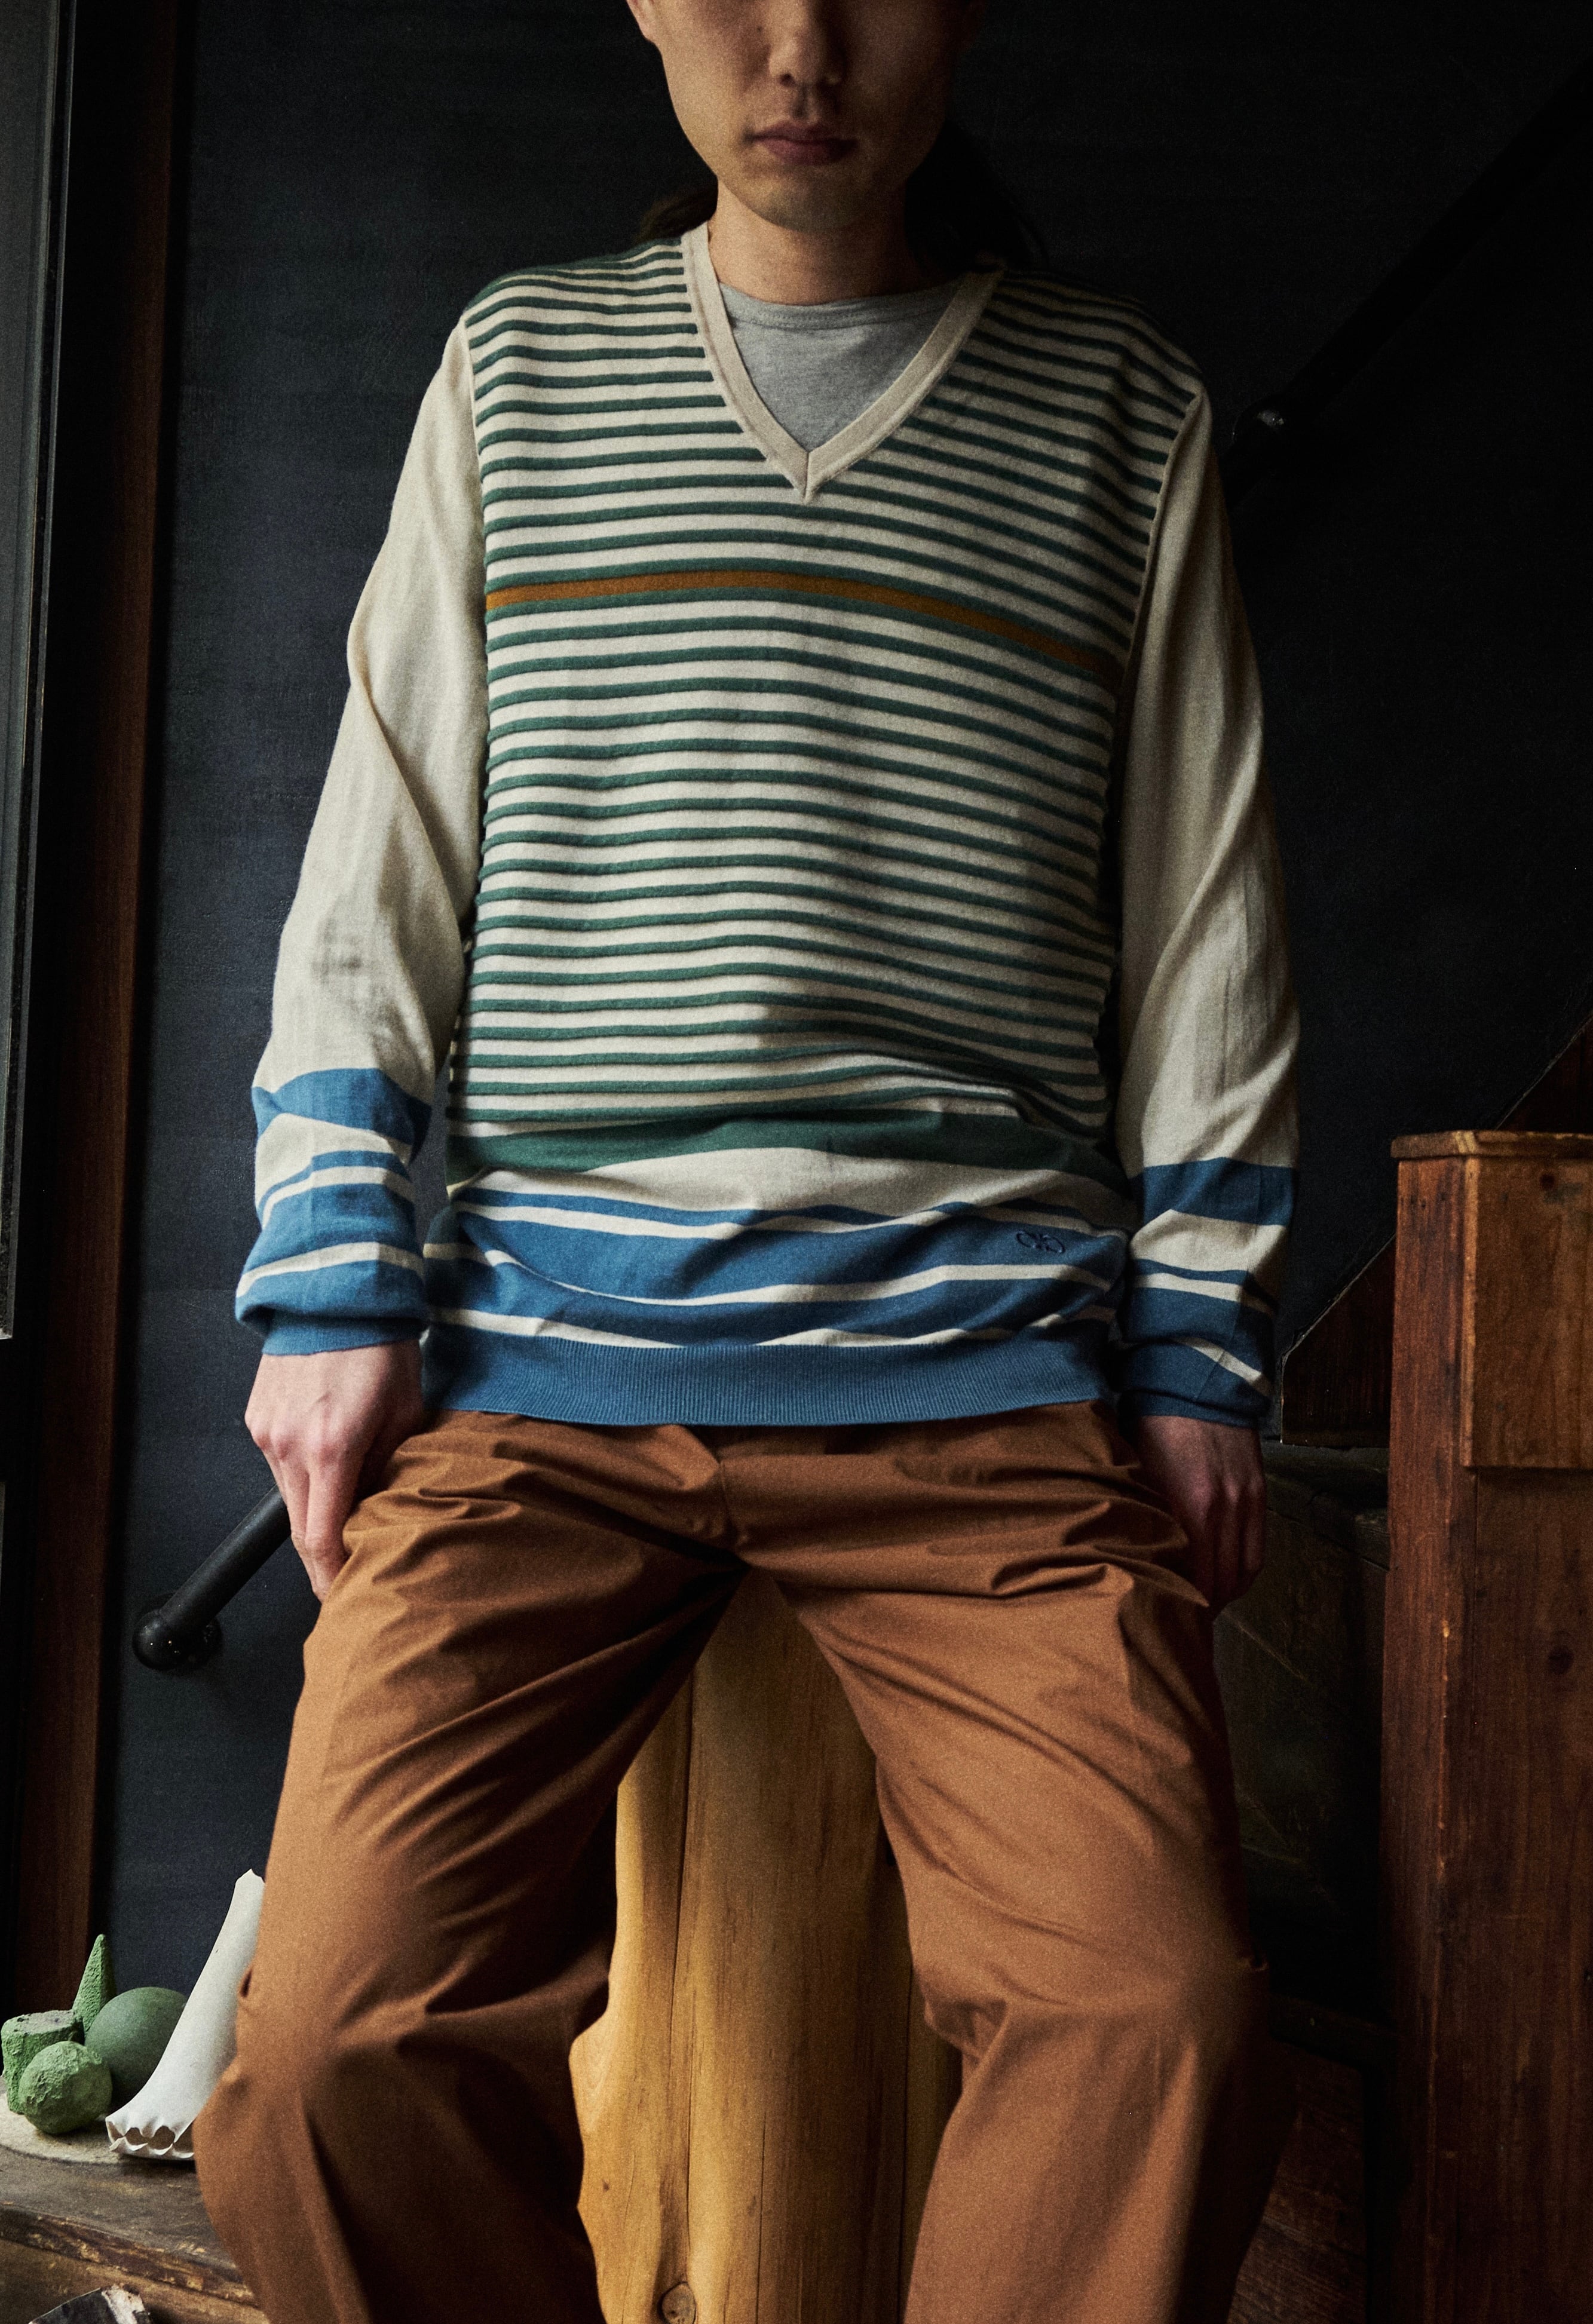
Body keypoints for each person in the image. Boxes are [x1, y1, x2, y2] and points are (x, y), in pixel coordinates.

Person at [196, 0, 1300, 2317]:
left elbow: (1206, 912)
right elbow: (378, 867)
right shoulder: (521, 372)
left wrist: (1200, 1351)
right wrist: (328, 1289)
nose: (798, 45)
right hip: (534, 1387)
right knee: (320, 2064)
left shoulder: (1121, 412)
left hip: (985, 1395)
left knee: (1160, 2013)